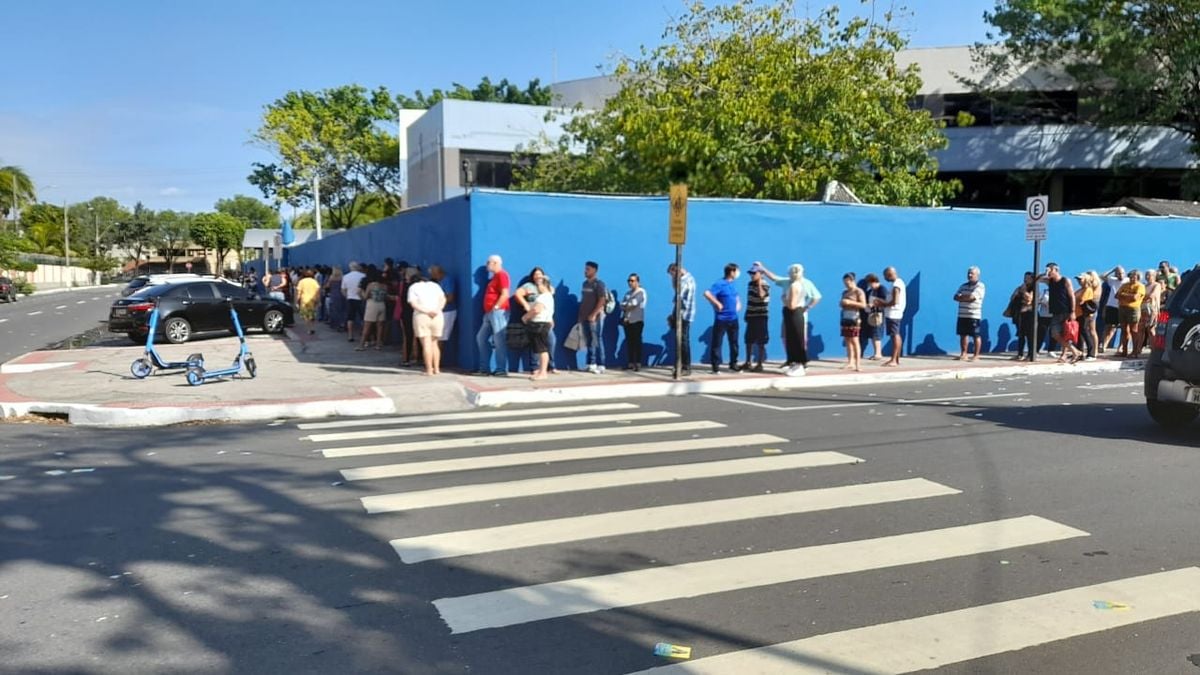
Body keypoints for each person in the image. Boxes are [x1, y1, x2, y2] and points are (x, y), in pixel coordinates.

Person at [756, 261, 821, 371]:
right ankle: (791, 359)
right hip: (788, 313)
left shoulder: (806, 283)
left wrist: (808, 307)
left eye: (796, 272)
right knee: (787, 336)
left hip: (798, 311)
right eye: (792, 272)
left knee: (800, 337)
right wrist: (763, 268)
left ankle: (801, 361)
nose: (793, 274)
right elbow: (774, 278)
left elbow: (817, 297)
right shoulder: (787, 282)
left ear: (802, 272)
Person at [515, 267, 558, 373]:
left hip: (545, 320)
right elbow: (518, 294)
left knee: (550, 341)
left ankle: (550, 366)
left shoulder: (546, 292)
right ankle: (535, 367)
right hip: (534, 319)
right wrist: (525, 305)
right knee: (536, 344)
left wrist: (550, 318)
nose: (538, 276)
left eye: (540, 274)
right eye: (536, 274)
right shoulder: (529, 286)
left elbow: (547, 305)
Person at [780, 263, 819, 376]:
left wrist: (783, 299)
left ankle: (799, 365)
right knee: (792, 339)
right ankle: (794, 363)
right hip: (795, 313)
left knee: (796, 339)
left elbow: (792, 305)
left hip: (794, 313)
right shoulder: (799, 285)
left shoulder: (794, 286)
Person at [475, 254, 511, 376]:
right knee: (481, 338)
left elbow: (505, 294)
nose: (487, 265)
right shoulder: (494, 278)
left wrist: (496, 307)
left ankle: (501, 369)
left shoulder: (502, 275)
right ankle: (485, 368)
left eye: (488, 262)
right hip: (489, 313)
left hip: (498, 312)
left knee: (499, 340)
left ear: (495, 263)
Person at [703, 263, 742, 374]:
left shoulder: (733, 284)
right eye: (737, 271)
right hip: (721, 319)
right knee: (717, 343)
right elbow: (707, 293)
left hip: (733, 318)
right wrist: (717, 303)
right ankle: (715, 367)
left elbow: (736, 295)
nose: (738, 273)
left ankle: (733, 364)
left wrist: (739, 303)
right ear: (731, 272)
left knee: (734, 343)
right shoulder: (720, 283)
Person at [408, 271, 446, 375]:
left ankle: (429, 370)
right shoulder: (435, 286)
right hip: (437, 315)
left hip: (422, 316)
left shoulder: (413, 287)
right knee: (435, 343)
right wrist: (437, 310)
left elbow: (413, 303)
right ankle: (437, 369)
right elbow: (443, 299)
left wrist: (426, 311)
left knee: (426, 343)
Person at [1042, 262, 1082, 363]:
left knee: (1066, 334)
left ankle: (1064, 355)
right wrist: (1044, 273)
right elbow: (1037, 280)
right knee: (1055, 333)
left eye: (1050, 270)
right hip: (1056, 312)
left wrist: (1072, 311)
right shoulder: (1050, 281)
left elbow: (1072, 296)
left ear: (1056, 270)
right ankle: (1075, 351)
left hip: (1066, 311)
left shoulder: (1065, 280)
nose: (1049, 272)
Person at [523, 275, 556, 380]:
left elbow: (537, 309)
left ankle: (543, 373)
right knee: (540, 348)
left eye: (538, 284)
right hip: (543, 324)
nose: (537, 287)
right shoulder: (548, 296)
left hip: (540, 324)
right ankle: (541, 371)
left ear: (544, 285)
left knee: (542, 349)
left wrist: (526, 317)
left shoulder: (543, 297)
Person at [579, 261, 608, 374]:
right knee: (589, 340)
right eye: (585, 269)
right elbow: (584, 301)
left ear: (595, 270)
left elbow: (602, 300)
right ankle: (590, 363)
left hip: (595, 318)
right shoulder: (585, 284)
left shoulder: (599, 284)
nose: (585, 271)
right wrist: (581, 316)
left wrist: (594, 314)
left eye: (588, 269)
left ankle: (599, 364)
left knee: (596, 340)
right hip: (585, 317)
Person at [667, 263, 696, 376]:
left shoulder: (685, 281)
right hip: (681, 313)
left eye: (672, 274)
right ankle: (680, 364)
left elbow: (680, 299)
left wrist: (675, 282)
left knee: (683, 340)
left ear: (676, 271)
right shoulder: (686, 279)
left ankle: (686, 366)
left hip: (684, 314)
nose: (672, 278)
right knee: (680, 339)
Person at [953, 266, 986, 361]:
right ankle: (964, 354)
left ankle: (976, 355)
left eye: (972, 273)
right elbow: (955, 297)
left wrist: (962, 297)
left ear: (977, 275)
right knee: (963, 335)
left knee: (976, 335)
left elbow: (972, 297)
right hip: (962, 314)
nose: (970, 275)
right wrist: (965, 297)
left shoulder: (980, 286)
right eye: (969, 273)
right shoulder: (963, 286)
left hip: (973, 315)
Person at [742, 264, 770, 372]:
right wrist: (747, 313)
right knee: (748, 339)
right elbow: (749, 300)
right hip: (751, 315)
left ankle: (759, 364)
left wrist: (759, 284)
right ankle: (748, 362)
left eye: (754, 273)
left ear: (761, 274)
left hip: (761, 316)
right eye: (751, 273)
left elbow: (762, 295)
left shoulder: (765, 284)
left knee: (761, 341)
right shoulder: (750, 284)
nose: (752, 275)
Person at [839, 272, 866, 371]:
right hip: (845, 317)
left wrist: (850, 302)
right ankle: (850, 362)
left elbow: (863, 305)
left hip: (854, 317)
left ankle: (858, 364)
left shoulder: (859, 292)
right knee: (847, 340)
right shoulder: (844, 292)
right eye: (844, 282)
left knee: (855, 340)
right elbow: (841, 304)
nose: (846, 284)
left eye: (847, 282)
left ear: (852, 281)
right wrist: (842, 303)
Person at [879, 266, 906, 367]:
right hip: (895, 313)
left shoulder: (896, 285)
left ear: (889, 274)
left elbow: (895, 301)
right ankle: (896, 359)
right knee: (895, 335)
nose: (885, 278)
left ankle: (894, 360)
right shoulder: (899, 283)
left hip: (894, 313)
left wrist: (882, 303)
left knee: (895, 335)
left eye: (885, 276)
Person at [1115, 269, 1145, 357]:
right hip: (1122, 308)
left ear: (1138, 277)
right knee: (1124, 330)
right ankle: (1124, 350)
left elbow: (1135, 297)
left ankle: (1135, 351)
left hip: (1133, 309)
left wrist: (1123, 295)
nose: (1132, 278)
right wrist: (1128, 296)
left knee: (1134, 330)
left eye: (1134, 276)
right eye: (1131, 276)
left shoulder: (1140, 286)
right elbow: (1117, 295)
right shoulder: (1125, 285)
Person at [620, 273, 647, 371]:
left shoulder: (641, 292)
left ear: (637, 282)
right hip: (627, 321)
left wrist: (626, 305)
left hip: (637, 321)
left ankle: (638, 363)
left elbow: (634, 304)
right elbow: (621, 305)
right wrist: (626, 305)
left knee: (637, 342)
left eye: (632, 281)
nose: (630, 282)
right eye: (629, 281)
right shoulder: (627, 293)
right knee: (629, 342)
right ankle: (630, 363)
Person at [430, 264, 457, 355]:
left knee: (440, 337)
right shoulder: (440, 281)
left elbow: (450, 298)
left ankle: (437, 360)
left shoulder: (447, 281)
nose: (433, 277)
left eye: (434, 275)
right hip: (440, 311)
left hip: (447, 311)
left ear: (439, 273)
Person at [1134, 269, 1162, 357]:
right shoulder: (1144, 286)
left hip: (1152, 309)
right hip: (1142, 309)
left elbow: (1151, 295)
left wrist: (1141, 296)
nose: (1147, 277)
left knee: (1151, 330)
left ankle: (1154, 350)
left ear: (1154, 276)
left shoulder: (1157, 285)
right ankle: (1138, 350)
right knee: (1141, 329)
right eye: (1146, 275)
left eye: (1149, 275)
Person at [358, 268, 388, 351]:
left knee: (367, 325)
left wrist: (361, 292)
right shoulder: (385, 286)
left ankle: (361, 345)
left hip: (372, 304)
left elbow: (366, 296)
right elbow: (385, 296)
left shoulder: (371, 285)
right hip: (382, 305)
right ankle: (378, 344)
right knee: (380, 326)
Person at [1009, 272, 1035, 360]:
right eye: (1025, 277)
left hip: (1029, 314)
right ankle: (1020, 354)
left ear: (1032, 279)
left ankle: (1030, 354)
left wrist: (1023, 291)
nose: (1025, 279)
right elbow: (1012, 297)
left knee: (1029, 335)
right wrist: (1018, 292)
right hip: (1020, 314)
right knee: (1021, 335)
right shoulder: (1020, 288)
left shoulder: (1033, 289)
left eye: (1028, 278)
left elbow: (1029, 300)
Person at [1101, 265, 1126, 353]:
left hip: (1123, 307)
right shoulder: (1113, 280)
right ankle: (1104, 345)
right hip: (1112, 306)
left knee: (1124, 328)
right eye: (1119, 273)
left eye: (1122, 273)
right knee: (1109, 327)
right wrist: (1112, 270)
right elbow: (1102, 276)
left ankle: (1120, 347)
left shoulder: (1127, 281)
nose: (1121, 275)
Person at [861, 273, 887, 360]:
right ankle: (876, 352)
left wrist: (874, 303)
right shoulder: (870, 291)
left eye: (870, 283)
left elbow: (885, 301)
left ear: (874, 281)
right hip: (870, 314)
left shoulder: (881, 289)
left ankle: (878, 353)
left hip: (877, 314)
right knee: (872, 334)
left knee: (876, 333)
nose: (869, 286)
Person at [1074, 271, 1098, 361]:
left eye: (1081, 279)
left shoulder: (1088, 290)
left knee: (1085, 332)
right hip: (1078, 314)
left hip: (1084, 314)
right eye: (1078, 280)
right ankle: (1079, 352)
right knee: (1079, 333)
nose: (1079, 281)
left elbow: (1081, 301)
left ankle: (1091, 353)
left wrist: (1075, 300)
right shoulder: (1079, 290)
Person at [342, 262, 366, 343]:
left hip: (350, 299)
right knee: (363, 318)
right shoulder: (363, 276)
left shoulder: (346, 276)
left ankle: (350, 336)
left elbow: (343, 290)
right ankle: (364, 334)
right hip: (360, 299)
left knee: (350, 318)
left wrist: (347, 296)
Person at [295, 268, 321, 335]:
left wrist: (296, 301)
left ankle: (309, 329)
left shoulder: (302, 281)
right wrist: (318, 300)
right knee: (312, 315)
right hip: (313, 300)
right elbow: (318, 291)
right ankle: (312, 328)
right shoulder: (314, 281)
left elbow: (299, 292)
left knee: (306, 315)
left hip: (304, 300)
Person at [325, 266, 346, 332]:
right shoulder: (343, 277)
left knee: (334, 310)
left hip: (333, 294)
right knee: (342, 310)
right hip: (342, 294)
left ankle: (335, 324)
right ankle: (342, 324)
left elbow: (327, 286)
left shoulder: (331, 277)